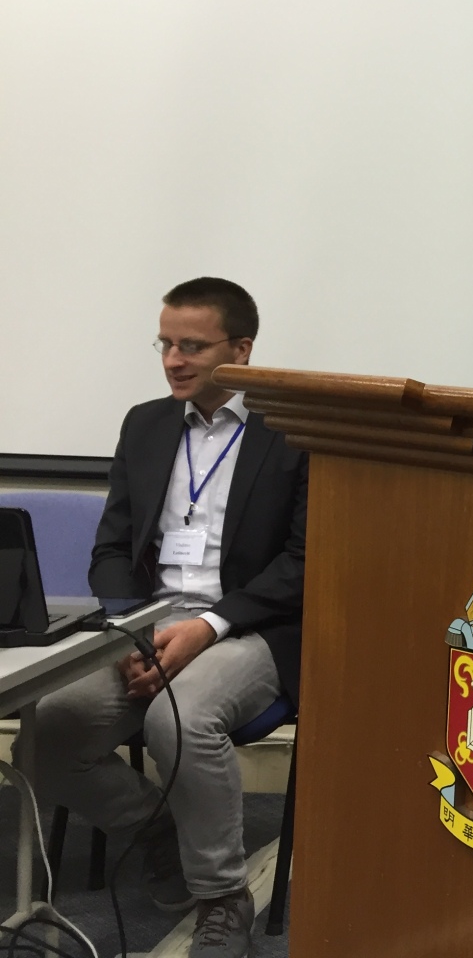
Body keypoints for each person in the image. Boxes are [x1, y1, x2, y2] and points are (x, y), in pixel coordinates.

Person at [29, 278, 307, 958]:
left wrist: (207, 628)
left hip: (249, 626)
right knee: (49, 729)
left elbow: (305, 561)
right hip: (147, 624)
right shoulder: (145, 425)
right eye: (165, 344)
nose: (174, 360)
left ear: (241, 350)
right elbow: (111, 549)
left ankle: (222, 896)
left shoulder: (295, 429)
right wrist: (132, 627)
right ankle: (158, 829)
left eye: (192, 346)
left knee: (176, 719)